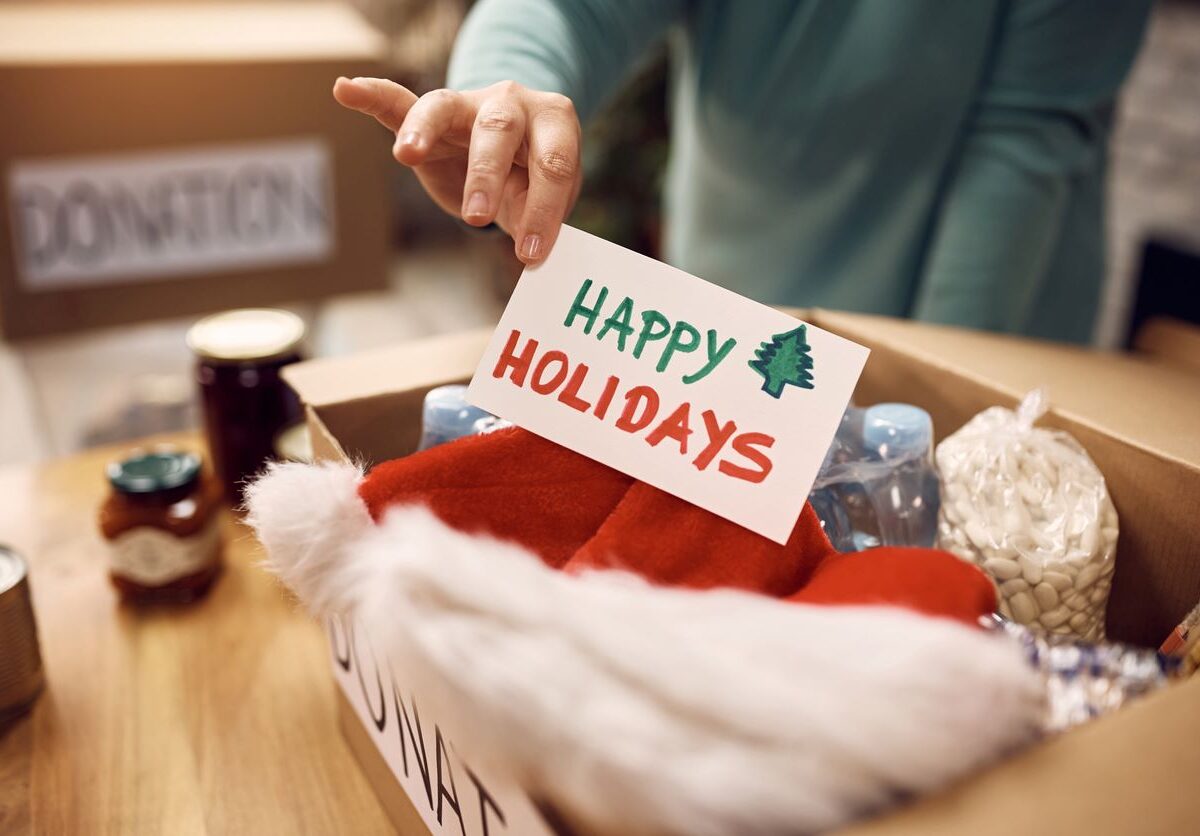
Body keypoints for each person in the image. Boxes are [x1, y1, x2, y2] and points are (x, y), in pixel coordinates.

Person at [334, 0, 1151, 343]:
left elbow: (1022, 143)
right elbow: (572, 8)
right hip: (738, 315)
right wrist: (501, 84)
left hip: (996, 316)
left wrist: (927, 412)